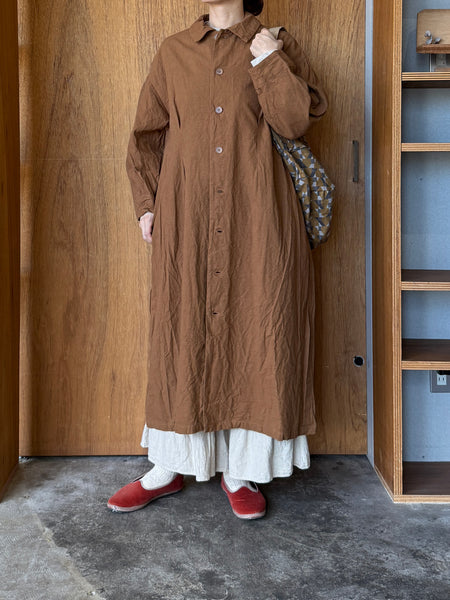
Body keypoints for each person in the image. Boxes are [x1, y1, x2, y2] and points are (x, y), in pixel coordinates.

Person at [107, 0, 328, 519]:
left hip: (259, 221)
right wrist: (146, 206)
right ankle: (167, 466)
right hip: (187, 221)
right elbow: (145, 136)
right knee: (181, 331)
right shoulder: (174, 51)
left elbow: (295, 121)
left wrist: (269, 58)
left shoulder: (276, 43)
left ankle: (241, 471)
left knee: (258, 331)